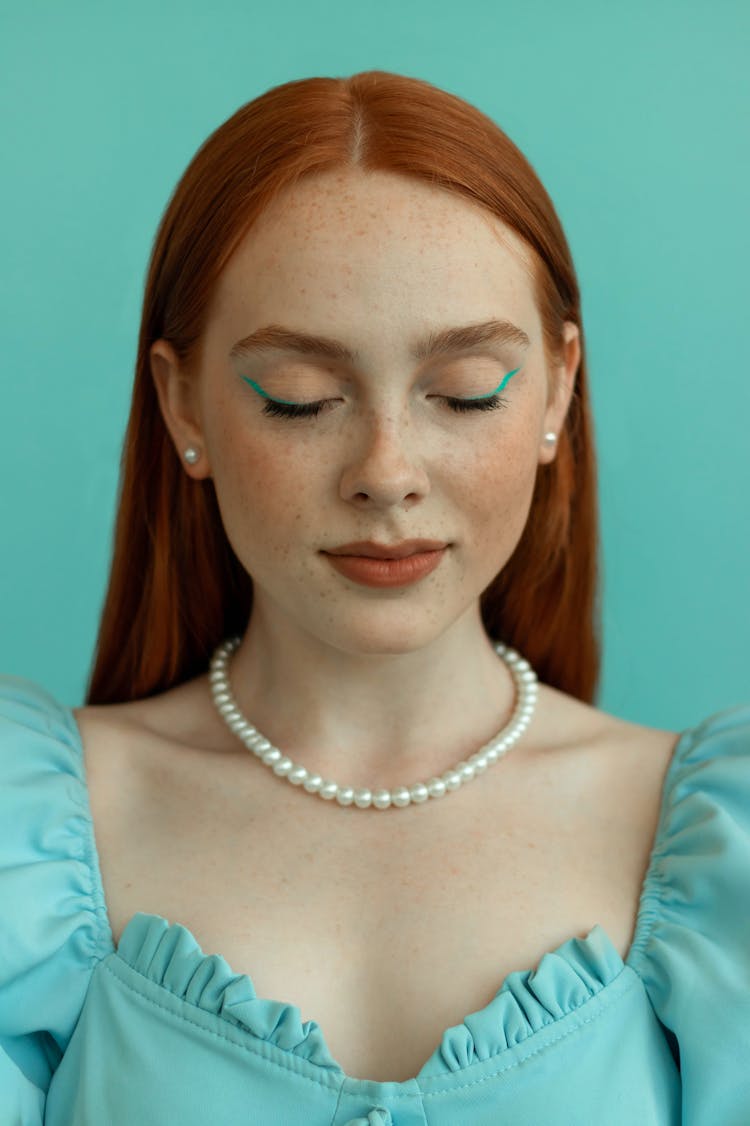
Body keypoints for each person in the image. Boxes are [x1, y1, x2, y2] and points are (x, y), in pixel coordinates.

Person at [1, 70, 748, 1126]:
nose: (386, 472)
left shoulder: (725, 853)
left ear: (558, 389)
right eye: (301, 399)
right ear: (182, 403)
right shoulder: (19, 833)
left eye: (466, 390)